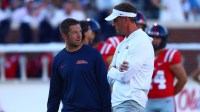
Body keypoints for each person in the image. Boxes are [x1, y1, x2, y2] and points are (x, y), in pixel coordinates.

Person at [47, 18, 111, 112]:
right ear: (64, 36)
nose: (79, 35)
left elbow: (105, 88)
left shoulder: (94, 55)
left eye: (80, 31)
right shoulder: (58, 59)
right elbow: (54, 95)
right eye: (74, 32)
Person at [105, 2, 154, 112]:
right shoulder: (123, 43)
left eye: (115, 20)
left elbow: (125, 76)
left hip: (130, 102)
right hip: (122, 102)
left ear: (125, 19)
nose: (113, 24)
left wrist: (113, 70)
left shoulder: (140, 41)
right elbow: (109, 78)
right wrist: (116, 71)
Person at [145, 23, 187, 112]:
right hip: (146, 100)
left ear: (163, 39)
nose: (155, 40)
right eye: (153, 37)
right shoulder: (143, 55)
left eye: (158, 38)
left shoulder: (170, 55)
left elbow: (183, 79)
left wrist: (170, 93)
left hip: (165, 101)